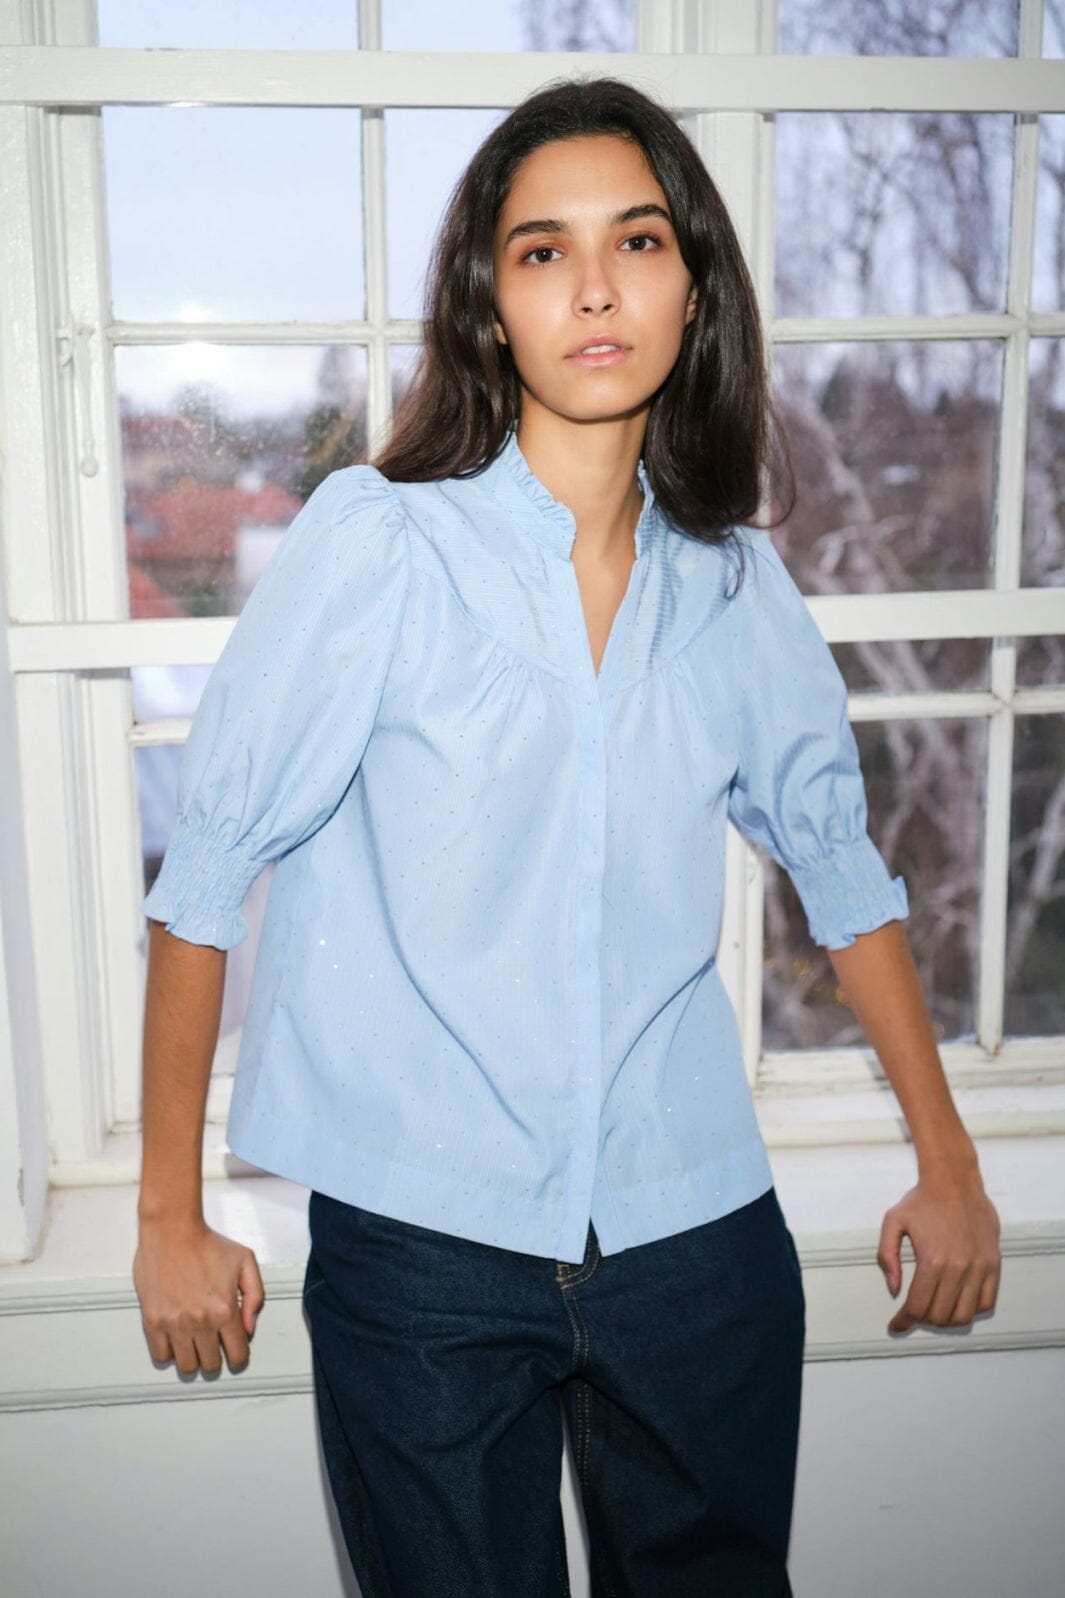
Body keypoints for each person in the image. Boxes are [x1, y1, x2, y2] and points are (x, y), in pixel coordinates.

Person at [133, 75, 1001, 1598]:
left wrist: (950, 1162)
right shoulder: (379, 545)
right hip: (422, 1252)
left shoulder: (733, 584)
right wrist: (167, 1217)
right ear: (490, 306)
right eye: (542, 250)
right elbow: (203, 874)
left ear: (693, 288)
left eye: (638, 241)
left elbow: (841, 873)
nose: (594, 287)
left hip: (697, 1241)